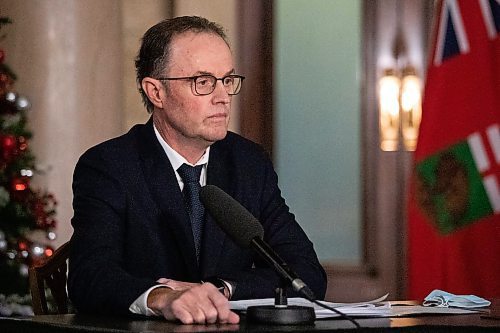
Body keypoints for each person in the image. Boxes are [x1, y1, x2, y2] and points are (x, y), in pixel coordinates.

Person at [68, 16, 327, 325]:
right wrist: (162, 297)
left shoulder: (247, 162)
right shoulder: (109, 166)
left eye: (227, 80)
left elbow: (305, 274)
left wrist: (221, 289)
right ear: (156, 92)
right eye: (203, 82)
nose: (222, 98)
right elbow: (90, 277)